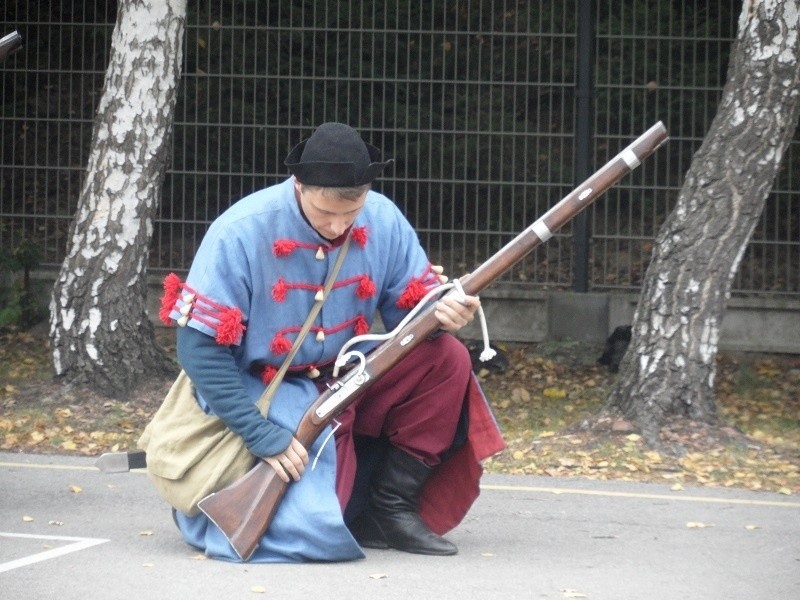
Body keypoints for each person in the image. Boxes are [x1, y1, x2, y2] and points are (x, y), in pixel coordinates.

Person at [158, 122, 505, 562]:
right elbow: (199, 350)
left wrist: (443, 316)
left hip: (352, 376)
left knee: (446, 359)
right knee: (310, 534)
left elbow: (410, 320)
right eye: (325, 213)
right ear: (298, 185)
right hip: (268, 388)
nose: (338, 225)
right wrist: (259, 434)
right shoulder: (240, 230)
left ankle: (388, 511)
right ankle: (210, 509)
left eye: (351, 210)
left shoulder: (383, 217)